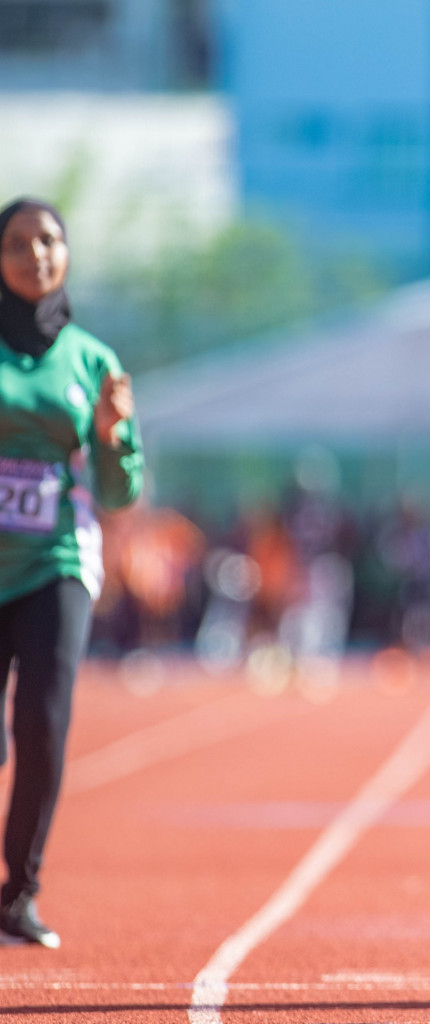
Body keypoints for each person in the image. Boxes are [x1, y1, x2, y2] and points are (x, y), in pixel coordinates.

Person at [0, 199, 142, 947]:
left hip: (56, 558)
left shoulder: (93, 360)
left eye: (49, 240)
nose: (35, 255)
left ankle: (18, 892)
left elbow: (121, 494)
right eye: (18, 243)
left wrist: (114, 438)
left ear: (67, 253)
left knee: (44, 722)